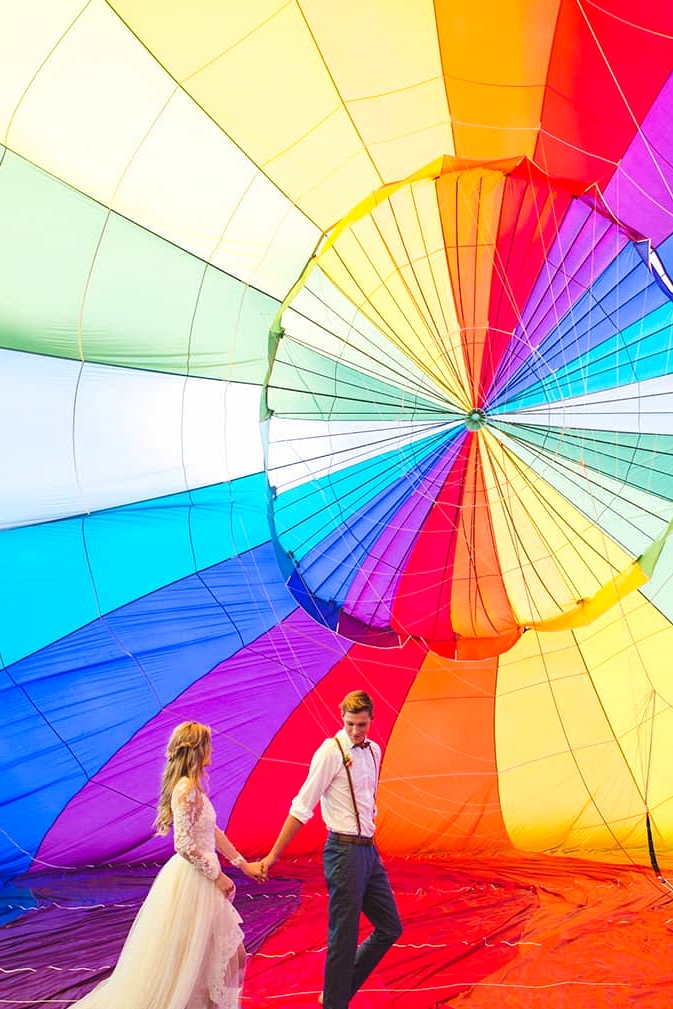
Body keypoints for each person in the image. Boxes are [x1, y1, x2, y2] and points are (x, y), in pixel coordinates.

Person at [70, 720, 265, 1009]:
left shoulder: (196, 787)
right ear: (196, 750)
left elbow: (213, 832)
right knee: (200, 953)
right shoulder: (185, 789)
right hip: (195, 881)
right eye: (207, 744)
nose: (212, 749)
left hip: (203, 879)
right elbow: (184, 845)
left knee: (214, 953)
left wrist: (243, 864)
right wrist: (218, 877)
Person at [261, 690, 402, 1009]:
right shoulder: (330, 752)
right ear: (342, 718)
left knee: (390, 926)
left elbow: (368, 802)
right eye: (351, 724)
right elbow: (302, 806)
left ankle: (337, 993)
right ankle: (335, 1003)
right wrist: (273, 855)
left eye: (362, 725)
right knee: (344, 934)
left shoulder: (374, 751)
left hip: (368, 851)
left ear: (371, 721)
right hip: (342, 851)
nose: (356, 731)